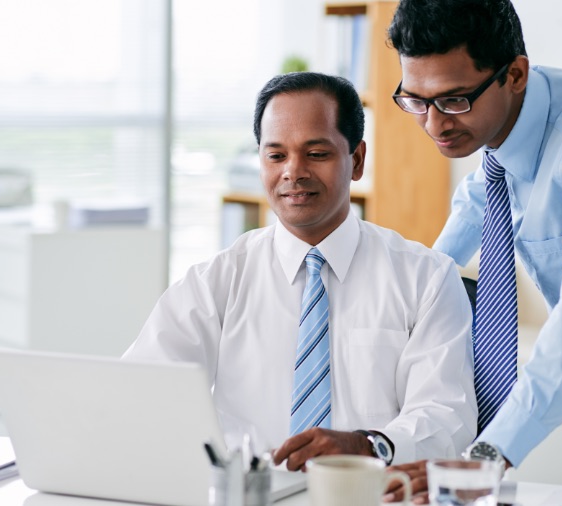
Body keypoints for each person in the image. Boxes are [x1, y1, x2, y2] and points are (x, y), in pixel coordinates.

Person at [383, 0, 562, 498]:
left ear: (514, 74)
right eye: (416, 101)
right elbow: (461, 228)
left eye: (454, 100)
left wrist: (491, 454)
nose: (434, 125)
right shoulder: (499, 142)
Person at [123, 71, 477, 470]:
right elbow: (141, 391)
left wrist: (367, 446)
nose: (293, 171)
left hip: (369, 494)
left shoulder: (426, 278)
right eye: (276, 155)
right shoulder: (216, 281)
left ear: (356, 160)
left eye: (317, 153)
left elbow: (448, 417)